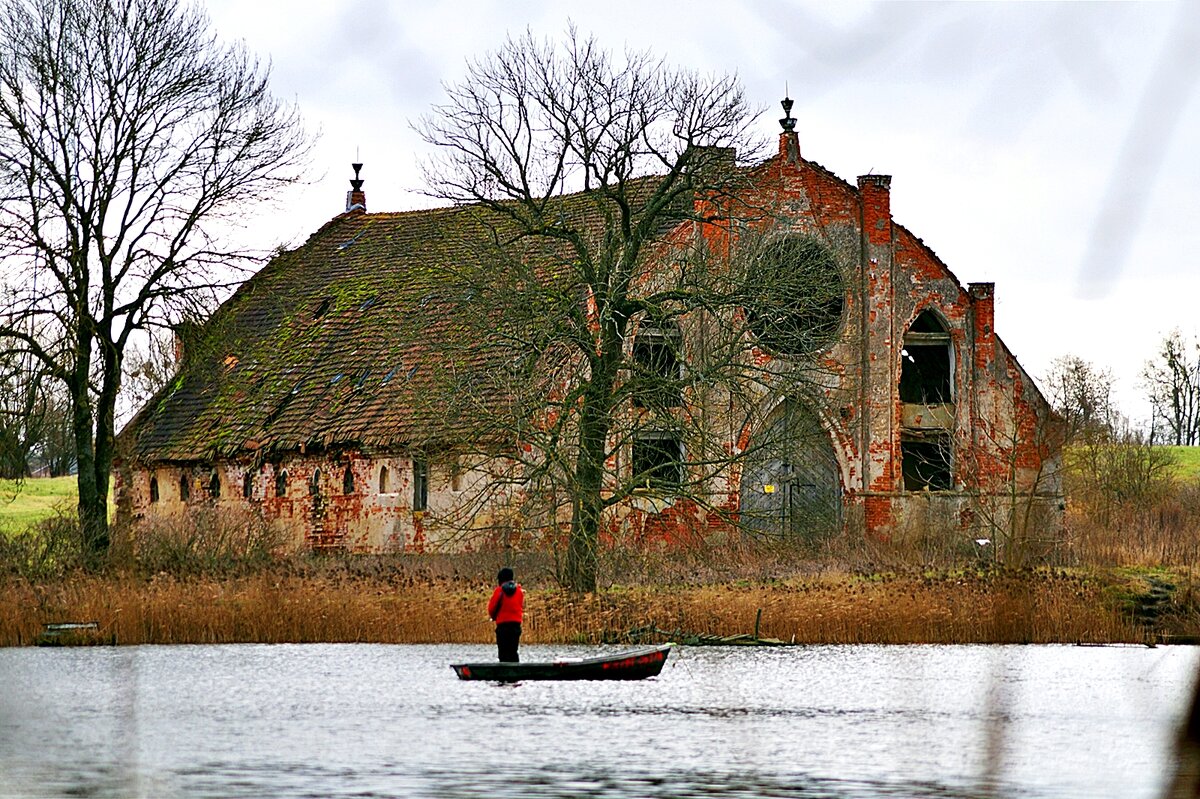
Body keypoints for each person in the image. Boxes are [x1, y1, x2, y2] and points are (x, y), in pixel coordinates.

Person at [487, 567, 524, 662]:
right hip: (516, 626)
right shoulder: (519, 591)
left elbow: (492, 608)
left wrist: (493, 617)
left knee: (503, 653)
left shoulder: (499, 591)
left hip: (503, 627)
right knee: (513, 651)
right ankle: (515, 671)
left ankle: (504, 673)